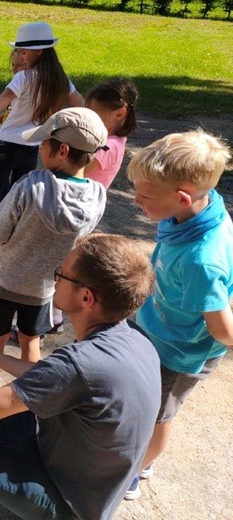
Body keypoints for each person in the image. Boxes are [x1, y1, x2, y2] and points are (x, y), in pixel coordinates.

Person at [0, 233, 161, 520]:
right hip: (90, 481)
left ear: (86, 297)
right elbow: (53, 377)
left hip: (74, 506)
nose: (55, 279)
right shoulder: (134, 339)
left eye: (62, 274)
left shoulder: (82, 364)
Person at [125, 130, 233, 500]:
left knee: (158, 414)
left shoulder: (202, 260)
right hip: (159, 325)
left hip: (179, 353)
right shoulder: (196, 208)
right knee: (140, 398)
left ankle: (138, 469)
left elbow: (224, 331)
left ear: (182, 197)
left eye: (144, 196)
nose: (135, 200)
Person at [0, 107, 106, 386]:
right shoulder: (97, 195)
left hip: (6, 280)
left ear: (61, 150)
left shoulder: (30, 185)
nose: (39, 149)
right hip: (45, 287)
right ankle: (30, 393)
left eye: (43, 143)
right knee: (31, 339)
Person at [0, 21, 85, 281]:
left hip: (7, 146)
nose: (20, 57)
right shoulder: (61, 80)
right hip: (33, 147)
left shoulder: (23, 77)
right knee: (18, 201)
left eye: (24, 52)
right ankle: (10, 252)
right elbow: (81, 105)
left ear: (40, 52)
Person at [45, 78, 139, 332]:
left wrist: (56, 154)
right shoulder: (110, 137)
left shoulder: (107, 147)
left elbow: (77, 169)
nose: (90, 118)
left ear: (120, 113)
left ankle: (50, 319)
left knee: (59, 262)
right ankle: (52, 318)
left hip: (76, 208)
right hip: (80, 206)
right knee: (61, 259)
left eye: (95, 114)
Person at [84, 78, 139, 189]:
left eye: (95, 113)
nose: (87, 117)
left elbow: (77, 172)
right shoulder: (106, 140)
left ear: (119, 114)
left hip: (79, 203)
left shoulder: (109, 146)